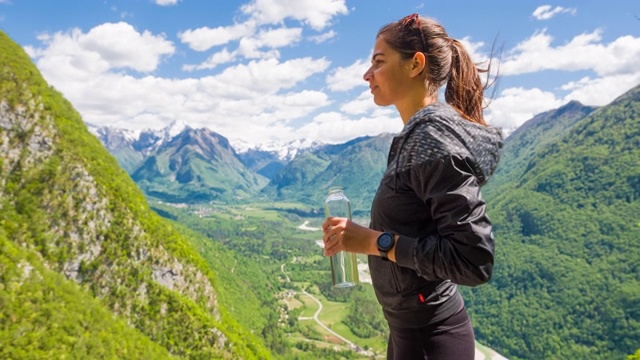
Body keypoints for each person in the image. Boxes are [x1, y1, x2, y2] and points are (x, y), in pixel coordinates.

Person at [321, 13, 503, 360]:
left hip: (430, 339)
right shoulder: (416, 138)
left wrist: (377, 242)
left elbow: (474, 259)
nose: (366, 74)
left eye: (378, 61)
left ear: (415, 64)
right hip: (411, 332)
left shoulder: (431, 138)